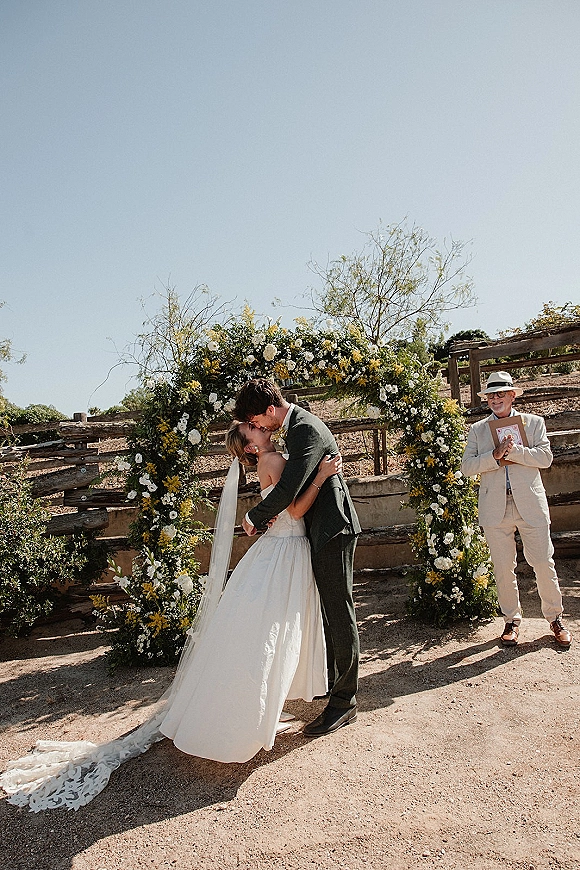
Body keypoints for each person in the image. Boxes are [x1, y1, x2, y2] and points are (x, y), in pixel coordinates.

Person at [0, 425, 341, 811]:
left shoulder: (268, 459)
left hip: (275, 552)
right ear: (249, 444)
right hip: (285, 553)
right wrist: (323, 478)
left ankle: (247, 709)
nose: (260, 427)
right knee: (267, 636)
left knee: (259, 635)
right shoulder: (274, 459)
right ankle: (245, 719)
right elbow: (294, 510)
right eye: (252, 429)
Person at [234, 378, 361, 736]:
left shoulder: (304, 429)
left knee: (339, 612)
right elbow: (295, 489)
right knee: (328, 611)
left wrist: (254, 517)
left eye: (257, 420)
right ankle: (334, 687)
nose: (257, 427)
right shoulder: (294, 429)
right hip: (316, 529)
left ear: (271, 410)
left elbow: (290, 487)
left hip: (332, 530)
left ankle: (344, 703)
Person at [461, 371, 571, 648]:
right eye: (491, 395)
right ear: (486, 400)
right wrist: (494, 456)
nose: (495, 399)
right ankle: (511, 620)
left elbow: (545, 458)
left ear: (512, 395)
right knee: (502, 567)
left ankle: (555, 618)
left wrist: (515, 451)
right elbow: (467, 467)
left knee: (543, 562)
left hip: (530, 504)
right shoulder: (477, 429)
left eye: (501, 393)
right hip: (495, 507)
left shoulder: (534, 423)